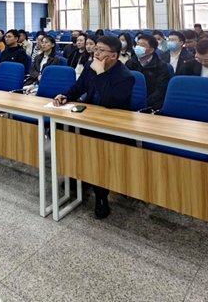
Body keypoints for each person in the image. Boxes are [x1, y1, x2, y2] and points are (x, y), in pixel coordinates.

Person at [54, 35, 135, 219]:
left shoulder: (126, 77)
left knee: (99, 152)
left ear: (113, 56)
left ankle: (101, 196)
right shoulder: (91, 67)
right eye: (96, 49)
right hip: (89, 118)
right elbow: (79, 87)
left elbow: (108, 101)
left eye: (101, 50)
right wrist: (65, 95)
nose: (96, 53)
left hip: (112, 126)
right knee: (69, 134)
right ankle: (79, 175)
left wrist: (100, 73)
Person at [125, 34, 171, 111]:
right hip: (131, 101)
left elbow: (160, 90)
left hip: (152, 104)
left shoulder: (161, 66)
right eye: (137, 44)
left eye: (142, 45)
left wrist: (145, 102)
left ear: (151, 50)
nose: (138, 47)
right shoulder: (130, 62)